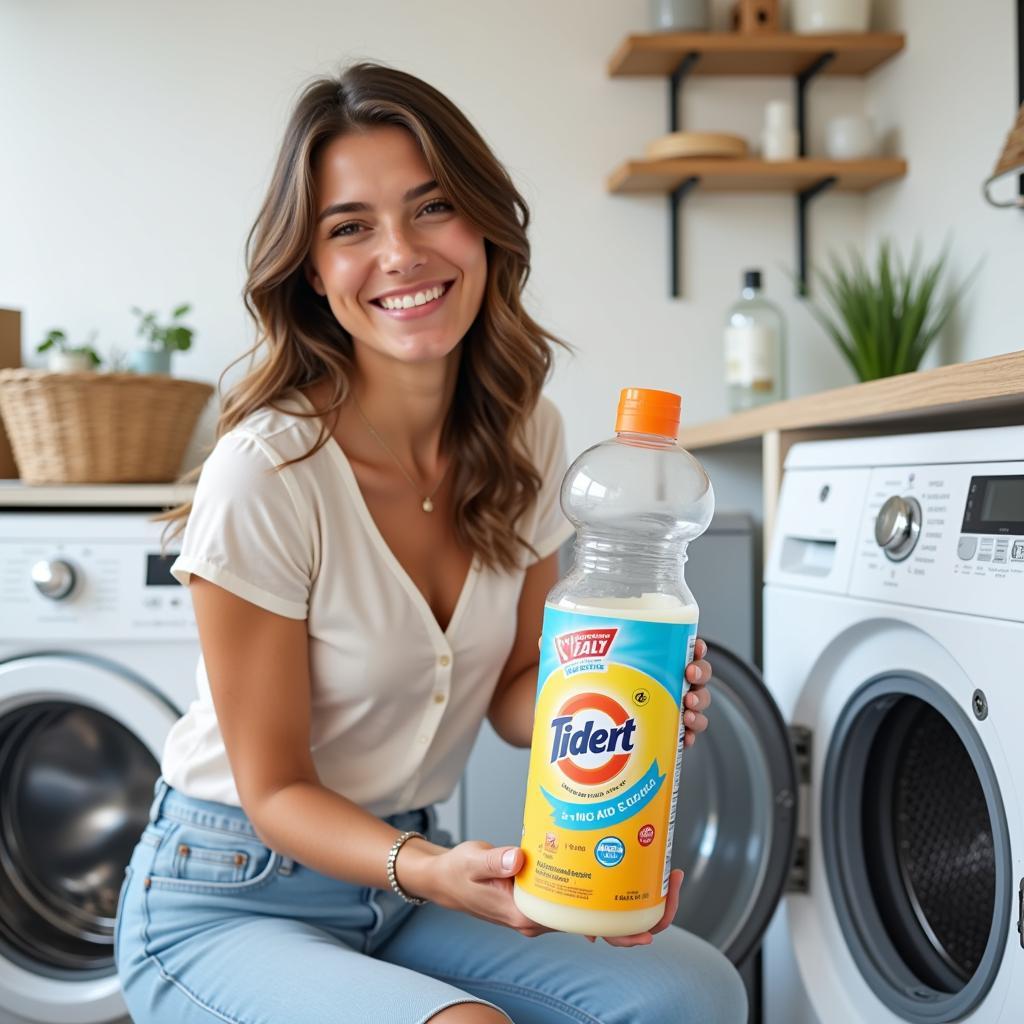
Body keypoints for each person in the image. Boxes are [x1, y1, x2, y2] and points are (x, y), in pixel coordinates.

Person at [114, 61, 747, 1024]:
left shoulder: (527, 435)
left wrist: (621, 696)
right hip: (225, 891)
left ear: (485, 227)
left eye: (432, 207)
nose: (401, 254)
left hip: (398, 885)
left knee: (689, 990)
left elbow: (513, 696)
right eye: (351, 227)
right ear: (314, 273)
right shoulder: (267, 472)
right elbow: (277, 787)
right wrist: (437, 871)